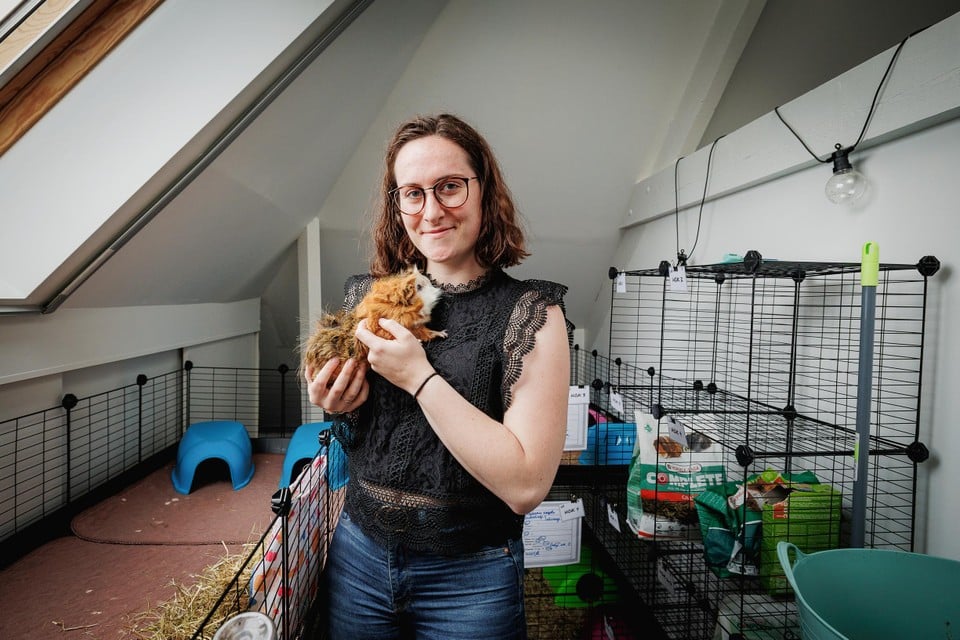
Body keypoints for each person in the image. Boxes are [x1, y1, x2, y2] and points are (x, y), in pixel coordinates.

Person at [304, 113, 571, 639]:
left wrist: (419, 376)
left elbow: (525, 485)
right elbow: (363, 427)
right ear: (396, 204)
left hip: (471, 577)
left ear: (484, 189)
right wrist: (335, 399)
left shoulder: (531, 313)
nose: (431, 211)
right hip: (358, 552)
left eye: (449, 187)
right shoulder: (372, 293)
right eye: (412, 193)